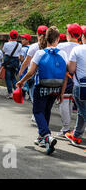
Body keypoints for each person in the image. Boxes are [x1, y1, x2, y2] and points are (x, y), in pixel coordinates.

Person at [17, 26, 68, 156]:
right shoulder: (62, 54)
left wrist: (22, 81)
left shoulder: (40, 53)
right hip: (56, 88)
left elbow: (31, 72)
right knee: (46, 111)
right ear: (57, 39)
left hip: (42, 86)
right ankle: (42, 139)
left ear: (46, 38)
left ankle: (47, 135)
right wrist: (61, 93)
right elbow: (66, 74)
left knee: (37, 111)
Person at [56, 23, 82, 136]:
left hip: (65, 78)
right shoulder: (81, 47)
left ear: (68, 34)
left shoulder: (61, 46)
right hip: (79, 78)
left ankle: (66, 128)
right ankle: (73, 129)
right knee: (72, 102)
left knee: (63, 102)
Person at [64, 25, 86, 149]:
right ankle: (76, 136)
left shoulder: (77, 49)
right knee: (82, 112)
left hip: (81, 87)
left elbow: (71, 69)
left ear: (83, 37)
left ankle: (76, 135)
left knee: (83, 110)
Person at [3, 30, 22, 99]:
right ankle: (17, 91)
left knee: (8, 78)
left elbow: (4, 51)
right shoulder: (19, 45)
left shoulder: (6, 44)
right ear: (17, 37)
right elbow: (20, 54)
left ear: (10, 36)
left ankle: (10, 93)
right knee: (13, 77)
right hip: (15, 61)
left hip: (8, 61)